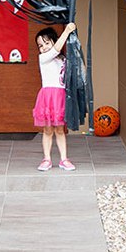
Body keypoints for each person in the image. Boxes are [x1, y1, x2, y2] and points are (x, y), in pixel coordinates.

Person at [33, 21, 77, 171]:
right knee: (47, 130)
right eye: (40, 45)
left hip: (59, 97)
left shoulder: (63, 60)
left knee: (60, 130)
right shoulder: (43, 58)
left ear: (53, 40)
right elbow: (55, 50)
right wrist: (67, 31)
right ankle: (47, 159)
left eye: (46, 43)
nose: (43, 47)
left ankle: (64, 159)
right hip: (47, 97)